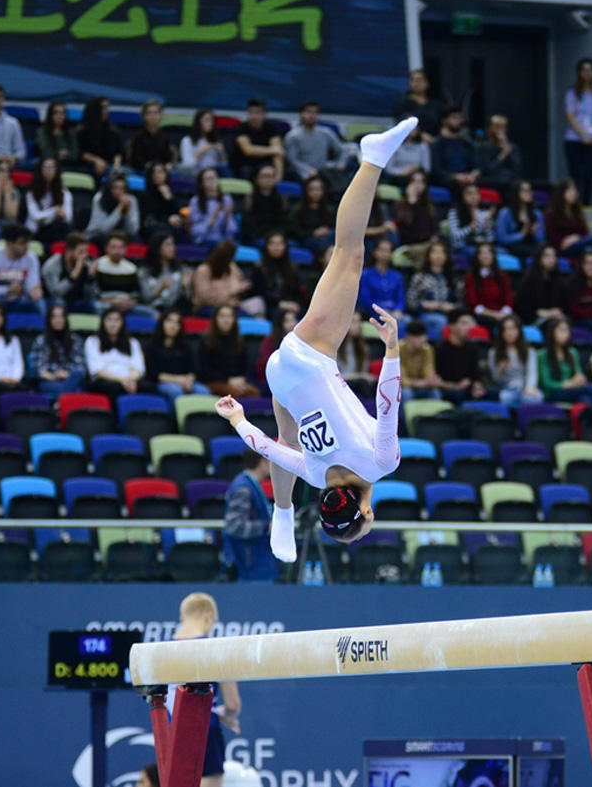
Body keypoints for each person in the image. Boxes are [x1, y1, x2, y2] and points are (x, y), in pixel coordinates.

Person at [215, 118, 416, 556]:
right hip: (281, 379)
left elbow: (388, 403)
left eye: (365, 527)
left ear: (364, 513)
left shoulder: (383, 464)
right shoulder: (313, 475)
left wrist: (392, 349)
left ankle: (372, 158)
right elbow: (265, 445)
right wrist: (235, 419)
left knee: (349, 254)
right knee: (286, 441)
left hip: (308, 356)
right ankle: (282, 516)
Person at [171, 592, 241, 787]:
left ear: (182, 618)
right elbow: (233, 704)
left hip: (171, 733)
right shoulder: (216, 649)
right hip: (205, 730)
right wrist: (228, 714)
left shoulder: (161, 650)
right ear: (208, 617)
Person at [223, 448, 278, 580]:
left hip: (257, 563)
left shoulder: (251, 485)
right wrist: (266, 527)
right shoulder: (243, 489)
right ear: (262, 462)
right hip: (248, 566)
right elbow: (235, 526)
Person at [563, 58, 592, 204]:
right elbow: (570, 116)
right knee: (575, 173)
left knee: (589, 174)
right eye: (584, 70)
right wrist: (583, 135)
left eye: (590, 70)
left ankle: (586, 203)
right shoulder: (572, 94)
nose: (587, 74)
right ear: (579, 73)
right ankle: (573, 203)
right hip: (574, 139)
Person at [146, 308, 211, 404]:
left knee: (204, 391)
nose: (173, 326)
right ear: (162, 323)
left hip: (185, 381)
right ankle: (176, 419)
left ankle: (202, 419)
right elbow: (154, 374)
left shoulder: (186, 346)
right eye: (169, 321)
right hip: (163, 382)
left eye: (177, 323)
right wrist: (178, 380)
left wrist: (188, 380)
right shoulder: (152, 346)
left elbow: (193, 370)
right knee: (175, 391)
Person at [0, 224, 43, 314]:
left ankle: (44, 327)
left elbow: (32, 285)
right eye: (22, 243)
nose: (26, 247)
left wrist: (34, 291)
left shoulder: (31, 258)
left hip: (20, 298)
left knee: (39, 302)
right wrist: (8, 290)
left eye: (27, 242)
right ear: (10, 243)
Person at [284, 100, 349, 191]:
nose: (311, 116)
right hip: (302, 175)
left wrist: (340, 164)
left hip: (324, 172)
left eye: (315, 113)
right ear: (301, 114)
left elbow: (342, 151)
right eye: (308, 112)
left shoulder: (326, 133)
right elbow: (292, 160)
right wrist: (307, 170)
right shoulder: (293, 136)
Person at [200, 304, 259, 397]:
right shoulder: (206, 341)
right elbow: (205, 370)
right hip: (215, 382)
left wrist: (241, 379)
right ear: (215, 319)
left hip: (236, 382)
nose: (226, 320)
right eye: (222, 316)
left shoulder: (240, 341)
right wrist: (228, 380)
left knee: (254, 392)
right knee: (235, 393)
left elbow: (245, 365)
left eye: (229, 316)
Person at [85, 307, 145, 397]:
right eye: (109, 320)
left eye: (117, 320)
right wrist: (122, 380)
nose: (113, 324)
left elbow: (138, 368)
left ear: (122, 323)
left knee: (150, 387)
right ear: (103, 322)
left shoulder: (132, 342)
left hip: (130, 379)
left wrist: (129, 380)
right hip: (105, 380)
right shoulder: (92, 341)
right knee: (113, 388)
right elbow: (97, 371)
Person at [29, 304, 86, 396]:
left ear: (66, 320)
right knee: (68, 389)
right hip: (49, 381)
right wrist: (54, 376)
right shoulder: (41, 340)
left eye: (61, 317)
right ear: (49, 320)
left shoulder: (76, 340)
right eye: (54, 317)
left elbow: (81, 368)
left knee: (76, 376)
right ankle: (63, 399)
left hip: (71, 378)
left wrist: (67, 374)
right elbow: (37, 369)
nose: (58, 320)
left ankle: (59, 403)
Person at [406, 241, 459, 337]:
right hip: (424, 314)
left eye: (442, 252)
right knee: (441, 322)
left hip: (449, 315)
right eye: (435, 252)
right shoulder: (419, 277)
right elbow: (410, 302)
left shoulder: (451, 278)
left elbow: (460, 302)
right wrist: (424, 305)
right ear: (428, 256)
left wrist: (452, 307)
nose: (439, 256)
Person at [537, 317, 592, 403]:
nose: (566, 334)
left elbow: (578, 372)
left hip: (572, 390)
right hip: (553, 393)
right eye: (561, 330)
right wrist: (567, 384)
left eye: (567, 330)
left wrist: (580, 378)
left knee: (585, 399)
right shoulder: (542, 354)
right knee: (590, 389)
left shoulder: (572, 352)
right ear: (552, 333)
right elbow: (545, 383)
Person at [544, 179, 592, 259]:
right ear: (562, 192)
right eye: (570, 190)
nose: (574, 193)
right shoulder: (550, 213)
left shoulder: (578, 213)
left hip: (577, 245)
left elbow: (586, 233)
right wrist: (565, 241)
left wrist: (576, 238)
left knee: (591, 247)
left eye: (575, 190)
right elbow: (551, 235)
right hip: (560, 248)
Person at [92, 231, 150, 316]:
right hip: (105, 304)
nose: (117, 251)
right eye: (113, 247)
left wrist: (130, 303)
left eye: (120, 248)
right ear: (106, 248)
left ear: (125, 249)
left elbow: (136, 294)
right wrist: (111, 301)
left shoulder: (131, 268)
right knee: (97, 307)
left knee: (151, 313)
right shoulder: (98, 265)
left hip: (127, 305)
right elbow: (94, 293)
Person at [488, 315, 541, 406]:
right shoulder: (493, 352)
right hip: (506, 389)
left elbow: (532, 372)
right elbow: (496, 380)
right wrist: (500, 370)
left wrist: (530, 387)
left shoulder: (528, 350)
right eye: (505, 329)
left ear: (519, 331)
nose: (509, 333)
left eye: (512, 329)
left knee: (532, 399)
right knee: (504, 398)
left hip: (526, 386)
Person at [191, 240, 253, 316]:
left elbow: (240, 282)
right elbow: (205, 298)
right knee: (226, 317)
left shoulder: (232, 267)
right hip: (208, 307)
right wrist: (231, 292)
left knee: (248, 319)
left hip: (232, 306)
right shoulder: (203, 271)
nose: (231, 259)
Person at [437, 309, 487, 402]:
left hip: (468, 389)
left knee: (494, 394)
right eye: (464, 323)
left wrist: (477, 385)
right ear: (452, 326)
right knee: (457, 395)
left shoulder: (472, 348)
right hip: (447, 391)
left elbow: (475, 374)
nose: (469, 328)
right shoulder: (440, 349)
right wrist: (456, 386)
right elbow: (436, 380)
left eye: (469, 324)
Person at [252, 231, 302, 318]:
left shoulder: (292, 267)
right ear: (266, 246)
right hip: (269, 306)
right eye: (272, 244)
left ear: (285, 246)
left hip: (290, 305)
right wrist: (280, 304)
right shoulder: (259, 267)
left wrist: (294, 304)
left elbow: (296, 291)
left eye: (279, 244)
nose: (276, 247)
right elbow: (259, 292)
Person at [41, 232, 95, 313]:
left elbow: (89, 297)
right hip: (52, 302)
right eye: (81, 252)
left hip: (76, 302)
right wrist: (74, 275)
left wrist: (90, 277)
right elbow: (55, 293)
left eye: (86, 252)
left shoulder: (86, 265)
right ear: (69, 251)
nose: (85, 256)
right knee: (59, 303)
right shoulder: (52, 265)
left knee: (94, 304)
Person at [514, 243, 566, 326]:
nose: (552, 260)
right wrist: (540, 313)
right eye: (547, 256)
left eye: (554, 256)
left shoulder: (559, 281)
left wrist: (557, 311)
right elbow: (522, 306)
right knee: (554, 325)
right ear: (539, 258)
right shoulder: (528, 280)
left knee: (566, 323)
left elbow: (563, 304)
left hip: (554, 317)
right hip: (534, 319)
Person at [25, 157, 73, 246]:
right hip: (36, 231)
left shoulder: (64, 192)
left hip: (57, 228)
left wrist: (63, 215)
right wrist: (55, 211)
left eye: (52, 168)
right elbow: (35, 216)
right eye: (46, 168)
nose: (49, 171)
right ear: (40, 170)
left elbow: (69, 217)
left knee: (63, 228)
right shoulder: (31, 192)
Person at [234, 98, 285, 180]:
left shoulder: (272, 128)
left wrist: (279, 176)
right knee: (245, 171)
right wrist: (272, 150)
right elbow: (248, 150)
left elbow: (278, 153)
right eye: (250, 112)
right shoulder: (241, 128)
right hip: (248, 164)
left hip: (267, 164)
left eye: (257, 113)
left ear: (264, 114)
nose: (253, 116)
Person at [140, 232, 191, 314]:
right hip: (152, 310)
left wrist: (185, 286)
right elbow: (146, 298)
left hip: (175, 309)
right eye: (168, 245)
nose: (173, 248)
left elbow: (189, 299)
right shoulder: (145, 271)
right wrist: (160, 288)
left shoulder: (181, 269)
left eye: (173, 244)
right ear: (158, 247)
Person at [394, 169, 439, 261]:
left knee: (438, 251)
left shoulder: (429, 205)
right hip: (410, 245)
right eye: (414, 181)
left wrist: (434, 237)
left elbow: (434, 228)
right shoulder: (400, 204)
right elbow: (408, 229)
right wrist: (412, 203)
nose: (418, 185)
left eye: (421, 182)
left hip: (427, 245)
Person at [464, 242, 513, 325]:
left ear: (493, 256)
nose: (485, 256)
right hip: (482, 315)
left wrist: (503, 313)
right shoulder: (471, 277)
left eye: (488, 253)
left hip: (502, 314)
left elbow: (508, 299)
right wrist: (493, 315)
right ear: (477, 256)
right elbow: (473, 304)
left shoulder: (503, 276)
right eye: (482, 253)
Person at [431, 106, 479, 191]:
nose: (458, 121)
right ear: (444, 120)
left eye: (460, 117)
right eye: (454, 118)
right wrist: (456, 177)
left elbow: (477, 165)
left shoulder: (468, 143)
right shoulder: (437, 144)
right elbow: (437, 170)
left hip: (468, 179)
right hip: (448, 180)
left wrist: (473, 175)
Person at [495, 179, 545, 259]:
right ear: (516, 193)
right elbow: (501, 238)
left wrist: (534, 232)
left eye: (530, 190)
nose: (528, 193)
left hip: (531, 247)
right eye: (524, 190)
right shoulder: (506, 213)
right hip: (511, 248)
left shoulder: (537, 213)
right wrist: (521, 234)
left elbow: (541, 239)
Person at [358, 238, 406, 320]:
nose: (385, 254)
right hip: (373, 313)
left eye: (388, 251)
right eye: (382, 250)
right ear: (374, 252)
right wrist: (380, 311)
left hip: (393, 312)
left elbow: (400, 299)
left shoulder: (397, 276)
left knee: (405, 321)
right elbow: (365, 299)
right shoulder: (366, 274)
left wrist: (398, 310)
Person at [286, 175, 335, 256]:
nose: (315, 192)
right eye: (312, 189)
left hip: (326, 238)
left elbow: (334, 226)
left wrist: (326, 231)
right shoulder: (297, 210)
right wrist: (313, 233)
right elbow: (293, 231)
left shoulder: (329, 209)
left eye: (318, 189)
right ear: (306, 191)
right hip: (307, 239)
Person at [76, 96, 123, 178]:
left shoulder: (112, 130)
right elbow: (80, 153)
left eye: (107, 108)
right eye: (103, 108)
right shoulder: (82, 131)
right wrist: (96, 160)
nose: (106, 111)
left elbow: (118, 152)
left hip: (110, 167)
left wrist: (117, 163)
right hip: (88, 168)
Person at [86, 174, 141, 242]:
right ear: (109, 188)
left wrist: (128, 211)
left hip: (122, 234)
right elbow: (103, 230)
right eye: (115, 188)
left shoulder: (131, 200)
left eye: (122, 188)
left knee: (136, 240)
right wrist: (119, 208)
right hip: (97, 234)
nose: (119, 192)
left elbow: (133, 231)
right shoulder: (99, 198)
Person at [477, 115, 523, 196]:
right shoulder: (483, 147)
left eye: (503, 127)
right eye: (497, 127)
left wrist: (506, 147)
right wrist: (503, 155)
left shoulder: (513, 147)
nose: (501, 130)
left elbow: (517, 169)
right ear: (490, 128)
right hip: (491, 183)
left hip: (510, 183)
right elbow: (488, 170)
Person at [448, 182, 496, 259]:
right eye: (469, 194)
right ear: (462, 196)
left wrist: (487, 225)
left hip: (481, 247)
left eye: (476, 193)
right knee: (478, 253)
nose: (473, 197)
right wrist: (470, 227)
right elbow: (455, 236)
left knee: (502, 251)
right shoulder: (455, 212)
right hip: (462, 247)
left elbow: (491, 239)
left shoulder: (484, 213)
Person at [188, 168, 235, 247]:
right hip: (204, 239)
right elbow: (194, 230)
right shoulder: (195, 201)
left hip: (223, 239)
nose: (213, 181)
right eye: (209, 179)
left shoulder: (226, 198)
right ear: (201, 184)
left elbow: (231, 230)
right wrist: (212, 219)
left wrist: (227, 217)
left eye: (215, 178)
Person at [393, 69, 444, 141]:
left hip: (435, 142)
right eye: (412, 80)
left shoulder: (436, 105)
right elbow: (401, 125)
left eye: (419, 80)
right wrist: (420, 135)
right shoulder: (403, 104)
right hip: (412, 144)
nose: (416, 83)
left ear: (427, 83)